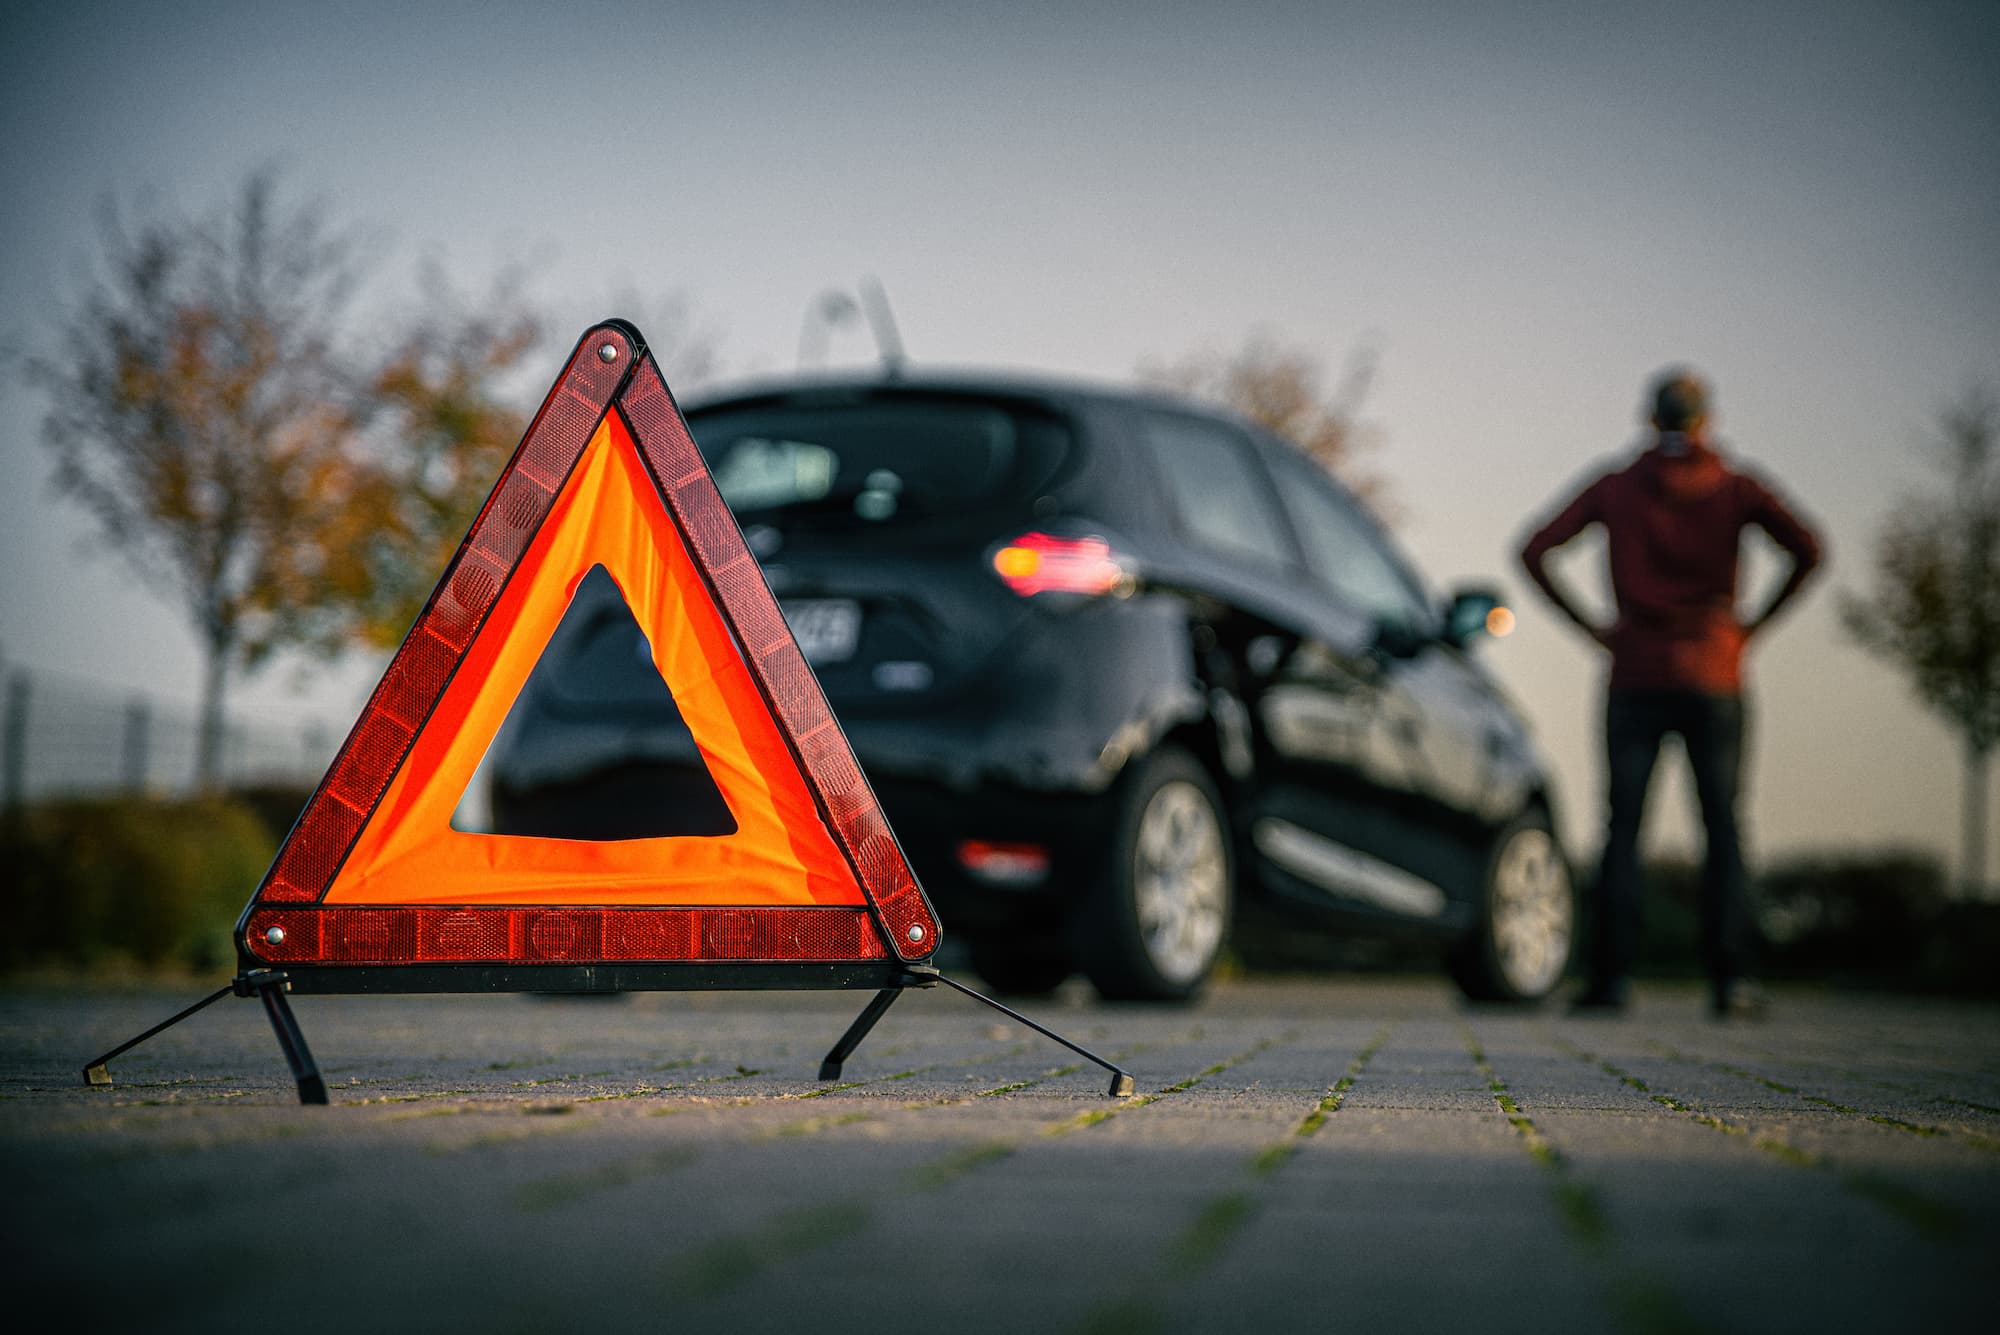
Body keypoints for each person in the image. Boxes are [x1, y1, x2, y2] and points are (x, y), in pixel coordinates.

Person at [1518, 368, 1822, 1017]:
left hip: (1633, 672)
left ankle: (1610, 980)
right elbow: (1810, 548)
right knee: (1724, 828)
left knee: (1620, 828)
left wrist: (1592, 629)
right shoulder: (1737, 486)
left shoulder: (1617, 485)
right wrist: (1753, 627)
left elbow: (1534, 548)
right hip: (1715, 672)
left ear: (1650, 420)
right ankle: (1732, 980)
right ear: (1706, 421)